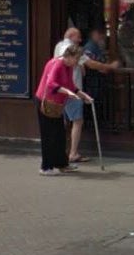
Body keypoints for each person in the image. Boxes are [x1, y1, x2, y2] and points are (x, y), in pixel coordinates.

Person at [54, 28, 119, 163]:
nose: (80, 40)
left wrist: (80, 66)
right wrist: (109, 67)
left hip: (60, 90)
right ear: (72, 36)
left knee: (63, 122)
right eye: (78, 37)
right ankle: (73, 153)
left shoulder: (59, 46)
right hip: (72, 90)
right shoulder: (72, 48)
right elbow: (91, 63)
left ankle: (61, 152)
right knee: (77, 121)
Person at [35, 44, 93, 175]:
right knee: (48, 135)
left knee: (60, 134)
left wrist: (83, 95)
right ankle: (46, 167)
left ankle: (62, 164)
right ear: (70, 56)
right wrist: (67, 92)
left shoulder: (69, 67)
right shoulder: (58, 64)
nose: (77, 62)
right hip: (46, 102)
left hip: (56, 104)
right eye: (76, 59)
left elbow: (70, 85)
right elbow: (51, 84)